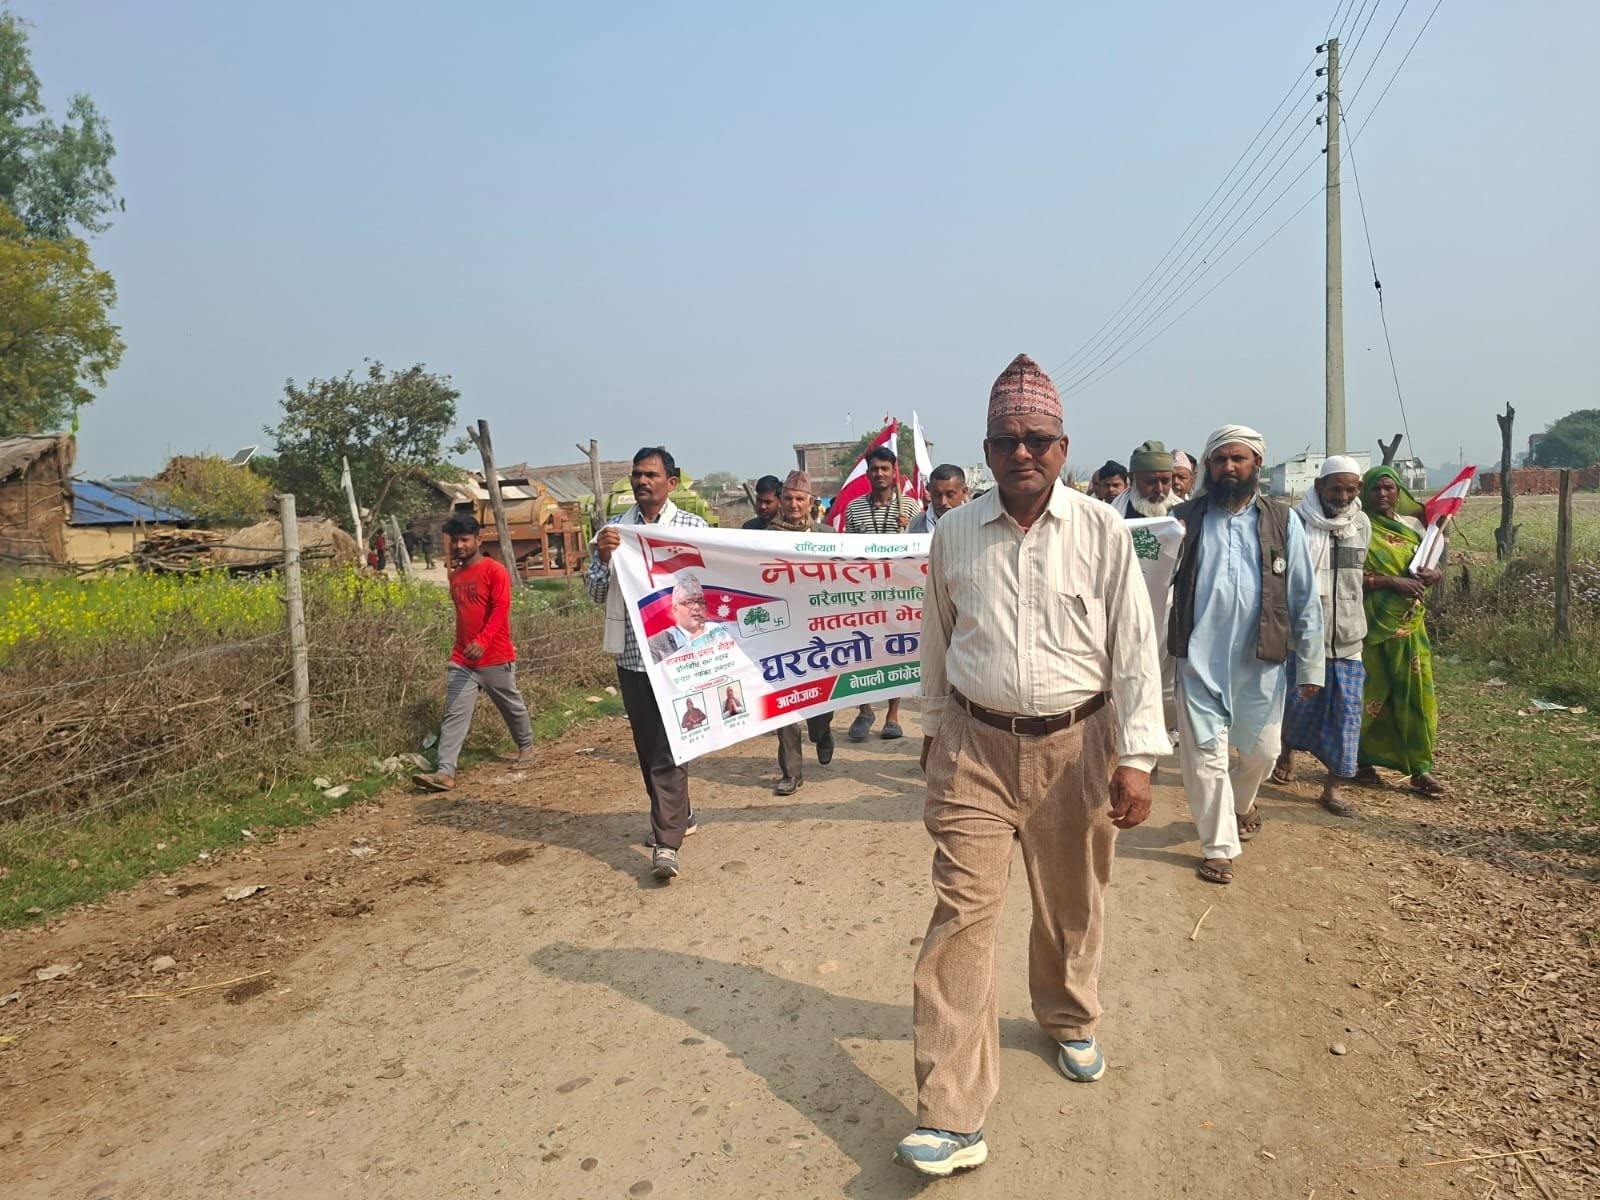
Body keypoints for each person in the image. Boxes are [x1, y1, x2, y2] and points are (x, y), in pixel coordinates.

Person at [896, 353, 1167, 1178]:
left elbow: (1132, 648)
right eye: (1007, 440)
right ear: (985, 451)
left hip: (1077, 746)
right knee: (961, 920)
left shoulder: (1099, 529)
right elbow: (938, 642)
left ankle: (1068, 1015)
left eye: (1038, 439)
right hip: (976, 747)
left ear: (1063, 446)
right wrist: (933, 731)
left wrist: (1140, 757)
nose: (1023, 453)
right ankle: (951, 1112)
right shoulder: (953, 532)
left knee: (1070, 903)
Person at [1170, 426, 1324, 885]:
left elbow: (1304, 594)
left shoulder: (1282, 520)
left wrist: (1311, 663)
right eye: (1220, 460)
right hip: (1198, 658)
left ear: (1257, 464)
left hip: (1261, 659)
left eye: (1239, 459)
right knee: (1204, 756)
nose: (1229, 468)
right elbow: (1151, 582)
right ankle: (1218, 846)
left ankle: (1241, 803)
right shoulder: (1184, 518)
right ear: (1209, 467)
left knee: (1264, 751)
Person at [586, 446, 709, 881]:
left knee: (670, 745)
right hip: (634, 658)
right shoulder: (613, 532)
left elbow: (709, 588)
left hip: (680, 657)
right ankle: (679, 812)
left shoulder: (694, 528)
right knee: (646, 744)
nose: (642, 481)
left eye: (651, 475)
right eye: (637, 474)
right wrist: (603, 560)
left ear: (671, 483)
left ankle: (666, 843)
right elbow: (595, 594)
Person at [1271, 456, 1371, 816]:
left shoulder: (1361, 523)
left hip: (1348, 636)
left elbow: (1359, 577)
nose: (1342, 495)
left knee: (1347, 714)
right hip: (1303, 637)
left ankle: (1333, 788)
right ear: (1319, 487)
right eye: (1336, 488)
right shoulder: (1295, 522)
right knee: (1294, 707)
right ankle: (1285, 753)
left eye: (1350, 489)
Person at [413, 514, 536, 792]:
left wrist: (483, 640)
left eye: (464, 540)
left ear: (478, 540)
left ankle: (526, 747)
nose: (459, 546)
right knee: (454, 712)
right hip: (462, 659)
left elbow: (500, 609)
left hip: (495, 655)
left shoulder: (495, 571)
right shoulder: (455, 576)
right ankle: (445, 772)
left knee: (510, 705)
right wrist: (464, 647)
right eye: (454, 540)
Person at [1355, 465, 1448, 796]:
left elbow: (1425, 567)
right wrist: (1388, 582)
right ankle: (1358, 762)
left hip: (1410, 627)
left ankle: (1420, 769)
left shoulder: (1413, 528)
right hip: (1369, 628)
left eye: (1388, 488)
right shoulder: (1356, 526)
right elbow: (1344, 576)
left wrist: (1434, 575)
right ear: (1365, 492)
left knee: (1416, 699)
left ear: (1399, 493)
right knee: (1369, 697)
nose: (1382, 494)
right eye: (1376, 489)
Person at [842, 445, 922, 742]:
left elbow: (921, 549)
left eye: (884, 469)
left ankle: (893, 715)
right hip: (864, 592)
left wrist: (907, 531)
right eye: (874, 469)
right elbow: (847, 551)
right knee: (862, 651)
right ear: (868, 472)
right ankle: (864, 710)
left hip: (899, 592)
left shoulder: (910, 507)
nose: (879, 474)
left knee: (895, 650)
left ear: (893, 472)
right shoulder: (854, 507)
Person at [765, 470, 837, 794]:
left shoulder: (828, 535)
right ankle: (791, 772)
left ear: (811, 503)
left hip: (820, 630)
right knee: (784, 703)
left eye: (800, 499)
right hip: (779, 629)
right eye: (788, 498)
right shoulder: (758, 537)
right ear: (780, 500)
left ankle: (822, 731)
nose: (794, 504)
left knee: (821, 698)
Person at [645, 571, 732, 663]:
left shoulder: (720, 633)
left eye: (700, 601)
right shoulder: (655, 644)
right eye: (689, 602)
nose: (697, 607)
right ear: (675, 608)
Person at [1112, 440, 1177, 519]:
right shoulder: (1114, 515)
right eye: (1150, 482)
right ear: (1132, 480)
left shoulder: (1184, 513)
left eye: (1165, 481)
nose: (1159, 489)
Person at [908, 464, 969, 533]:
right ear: (929, 491)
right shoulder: (915, 525)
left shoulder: (974, 523)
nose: (943, 502)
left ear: (964, 492)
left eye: (950, 495)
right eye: (937, 495)